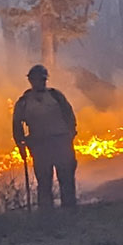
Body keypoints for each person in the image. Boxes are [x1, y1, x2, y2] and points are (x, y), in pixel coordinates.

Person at [11, 64, 78, 209]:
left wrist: (70, 135)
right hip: (40, 146)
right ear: (30, 81)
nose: (39, 82)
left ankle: (70, 211)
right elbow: (17, 126)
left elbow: (69, 115)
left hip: (60, 143)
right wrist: (20, 145)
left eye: (42, 79)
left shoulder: (56, 96)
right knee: (44, 182)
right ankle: (47, 215)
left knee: (66, 179)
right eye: (36, 79)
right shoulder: (24, 102)